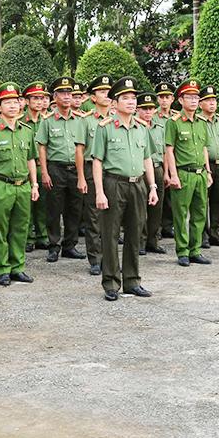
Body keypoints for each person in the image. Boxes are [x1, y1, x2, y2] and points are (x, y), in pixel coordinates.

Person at [91, 77, 157, 301]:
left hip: (137, 184)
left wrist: (153, 187)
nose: (131, 102)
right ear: (115, 102)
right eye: (125, 98)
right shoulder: (105, 128)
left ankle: (132, 281)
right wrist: (99, 192)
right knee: (110, 234)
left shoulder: (142, 128)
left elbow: (147, 158)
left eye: (133, 98)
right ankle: (110, 282)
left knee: (134, 233)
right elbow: (97, 161)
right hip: (113, 184)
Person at [0, 83, 39, 287]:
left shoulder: (27, 131)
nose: (12, 106)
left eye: (15, 101)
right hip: (1, 185)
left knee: (21, 228)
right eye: (7, 102)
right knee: (0, 228)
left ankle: (18, 267)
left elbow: (32, 159)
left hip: (23, 186)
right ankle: (3, 269)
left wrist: (34, 185)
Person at [35, 76, 86, 264]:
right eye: (62, 93)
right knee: (54, 209)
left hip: (75, 169)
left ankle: (70, 246)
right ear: (54, 97)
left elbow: (83, 147)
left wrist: (82, 175)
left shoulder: (80, 120)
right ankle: (54, 246)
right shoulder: (47, 120)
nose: (67, 97)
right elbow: (42, 146)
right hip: (55, 168)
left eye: (69, 93)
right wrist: (45, 172)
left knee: (74, 208)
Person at [164, 79, 211, 266]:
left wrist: (208, 171)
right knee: (181, 214)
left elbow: (204, 148)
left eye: (196, 97)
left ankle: (195, 250)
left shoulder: (201, 122)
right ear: (180, 100)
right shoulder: (173, 122)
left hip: (200, 174)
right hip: (183, 173)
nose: (193, 100)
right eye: (189, 97)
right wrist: (173, 175)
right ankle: (182, 251)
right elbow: (169, 150)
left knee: (199, 213)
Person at [80, 74, 113, 275]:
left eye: (108, 91)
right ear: (93, 97)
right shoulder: (86, 120)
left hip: (113, 172)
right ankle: (95, 258)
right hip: (92, 169)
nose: (106, 94)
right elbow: (79, 149)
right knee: (93, 216)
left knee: (112, 217)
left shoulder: (118, 119)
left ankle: (109, 258)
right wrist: (81, 177)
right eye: (101, 91)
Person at [199, 85, 219, 249]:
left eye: (214, 100)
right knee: (202, 201)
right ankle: (202, 235)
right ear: (200, 104)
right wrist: (206, 168)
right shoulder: (197, 121)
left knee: (218, 200)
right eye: (208, 100)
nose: (212, 103)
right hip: (205, 165)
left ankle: (215, 234)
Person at [22, 81, 51, 253]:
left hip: (43, 166)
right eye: (35, 98)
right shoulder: (19, 121)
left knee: (43, 204)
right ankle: (28, 237)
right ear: (26, 101)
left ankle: (42, 235)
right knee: (27, 206)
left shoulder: (48, 121)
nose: (39, 102)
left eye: (42, 98)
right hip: (25, 167)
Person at [136, 92, 166, 255]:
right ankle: (140, 240)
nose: (148, 112)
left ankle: (152, 241)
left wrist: (167, 173)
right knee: (140, 207)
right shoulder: (135, 126)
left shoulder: (159, 128)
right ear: (138, 110)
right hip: (140, 170)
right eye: (144, 109)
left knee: (157, 207)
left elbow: (165, 152)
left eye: (151, 109)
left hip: (157, 168)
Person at [154, 82, 176, 238]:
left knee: (171, 199)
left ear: (172, 99)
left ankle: (168, 226)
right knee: (158, 198)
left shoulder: (176, 117)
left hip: (173, 161)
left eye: (167, 97)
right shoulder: (151, 116)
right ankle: (156, 227)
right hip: (157, 161)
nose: (164, 100)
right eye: (161, 97)